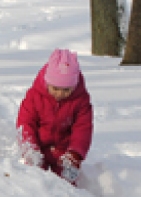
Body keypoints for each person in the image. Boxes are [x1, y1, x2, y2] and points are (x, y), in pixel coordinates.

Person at [17, 49, 92, 185]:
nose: (60, 94)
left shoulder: (80, 101)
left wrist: (75, 154)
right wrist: (30, 149)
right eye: (55, 88)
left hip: (64, 153)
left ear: (74, 86)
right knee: (35, 182)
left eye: (66, 90)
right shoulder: (34, 96)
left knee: (66, 185)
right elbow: (26, 123)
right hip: (39, 149)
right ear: (47, 82)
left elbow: (83, 129)